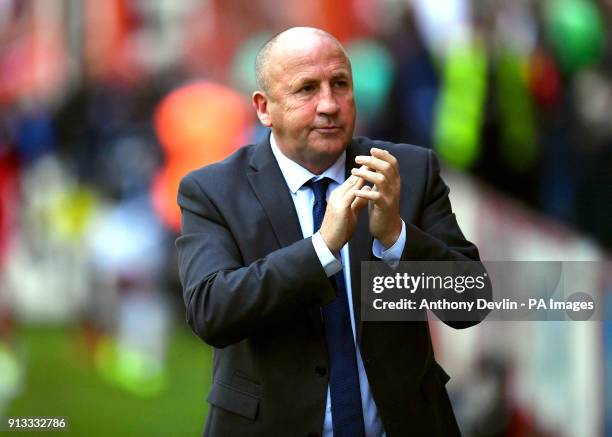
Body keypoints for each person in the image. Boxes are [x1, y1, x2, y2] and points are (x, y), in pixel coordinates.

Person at [177, 26, 485, 437]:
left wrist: (396, 237)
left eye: (340, 84)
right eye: (306, 89)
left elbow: (469, 303)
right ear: (264, 108)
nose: (329, 104)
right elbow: (211, 311)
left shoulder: (406, 171)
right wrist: (322, 248)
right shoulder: (213, 191)